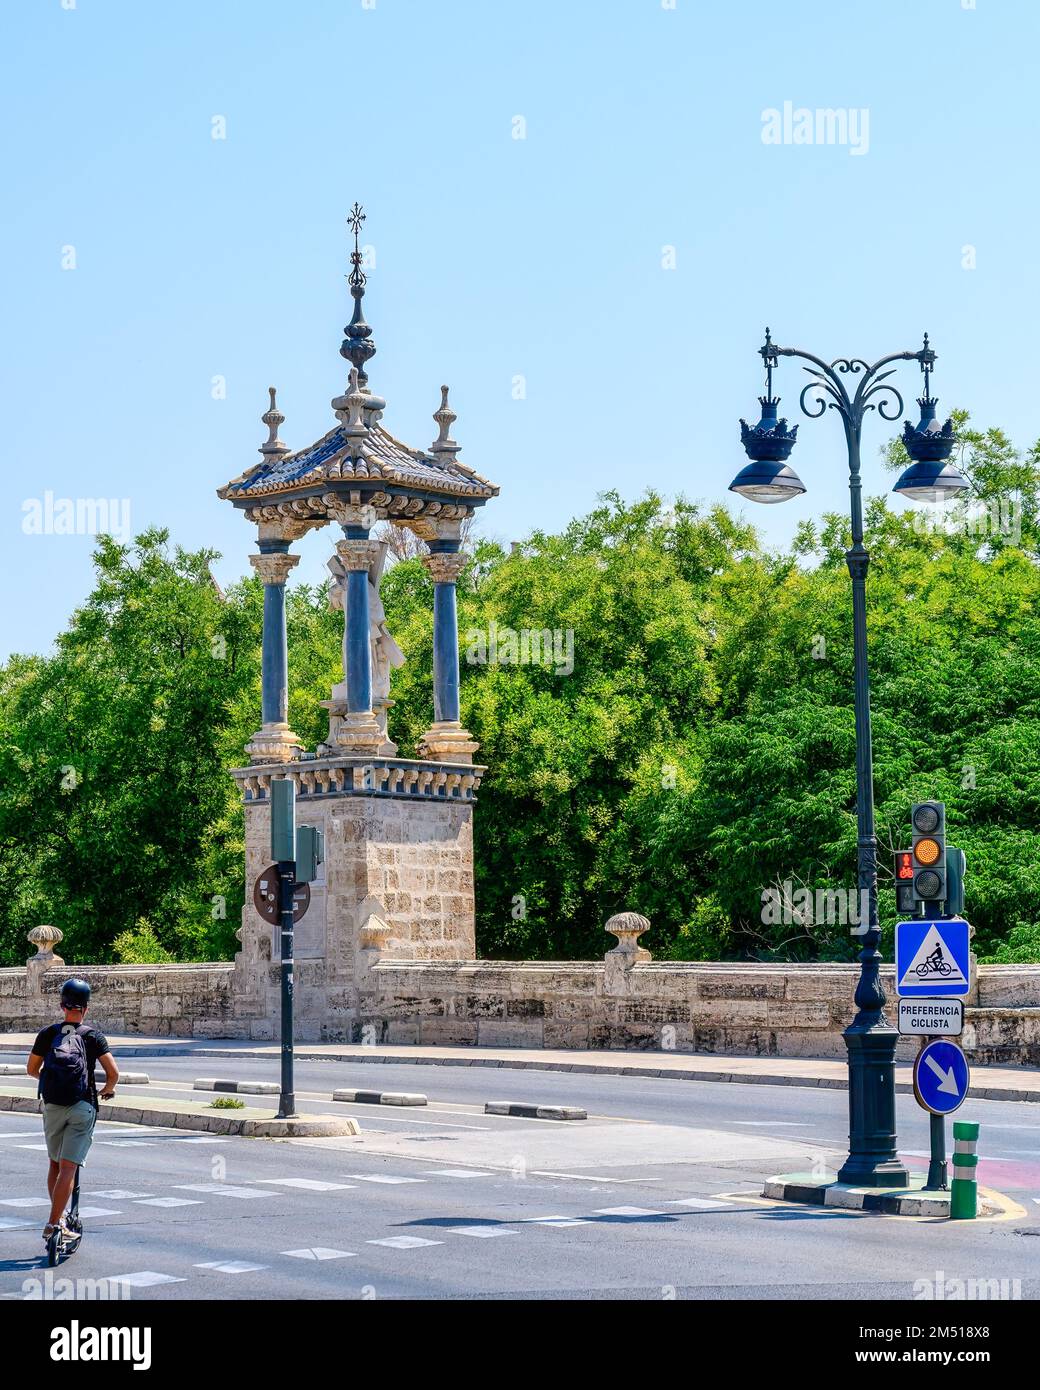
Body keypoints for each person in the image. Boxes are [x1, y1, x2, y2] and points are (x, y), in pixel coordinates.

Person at [25, 978, 118, 1244]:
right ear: (86, 1008)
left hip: (53, 1105)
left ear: (61, 1005)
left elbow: (31, 1069)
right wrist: (107, 1089)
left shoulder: (48, 1033)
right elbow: (113, 1073)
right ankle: (54, 1224)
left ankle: (60, 1217)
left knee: (55, 1164)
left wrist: (50, 1078)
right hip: (82, 1104)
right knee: (69, 1168)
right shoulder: (92, 1036)